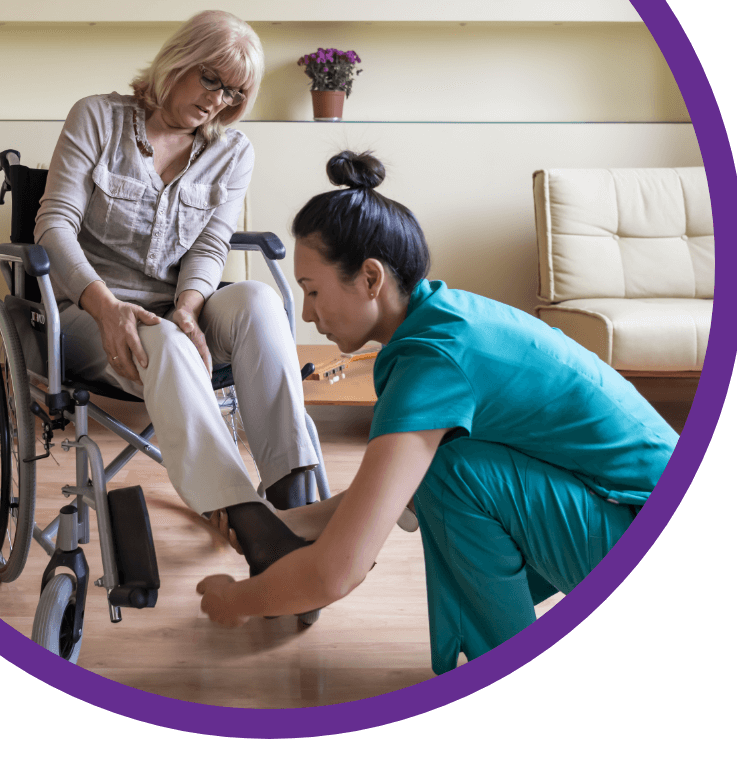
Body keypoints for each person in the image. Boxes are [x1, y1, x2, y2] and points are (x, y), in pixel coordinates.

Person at [197, 150, 680, 674]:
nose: (308, 314)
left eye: (312, 291)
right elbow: (384, 494)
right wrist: (282, 520)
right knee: (443, 469)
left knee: (449, 474)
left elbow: (338, 572)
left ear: (371, 278)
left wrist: (237, 601)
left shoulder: (434, 363)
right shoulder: (441, 319)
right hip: (624, 512)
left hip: (635, 524)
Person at [34, 11, 319, 573]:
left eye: (235, 92)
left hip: (176, 304)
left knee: (259, 301)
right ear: (179, 61)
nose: (218, 100)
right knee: (159, 337)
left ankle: (293, 494)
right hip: (89, 310)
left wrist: (190, 307)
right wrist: (107, 305)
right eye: (210, 79)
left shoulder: (232, 152)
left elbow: (211, 247)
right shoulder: (97, 118)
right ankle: (247, 520)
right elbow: (53, 226)